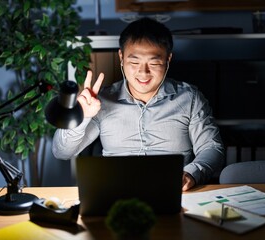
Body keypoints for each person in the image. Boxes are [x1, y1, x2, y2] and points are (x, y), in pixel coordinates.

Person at [52, 17, 225, 190]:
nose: (143, 72)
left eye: (154, 62)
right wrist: (81, 116)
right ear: (121, 57)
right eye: (134, 62)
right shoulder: (102, 100)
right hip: (116, 192)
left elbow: (212, 148)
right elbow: (62, 152)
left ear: (168, 59)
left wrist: (190, 174)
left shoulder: (190, 98)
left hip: (174, 192)